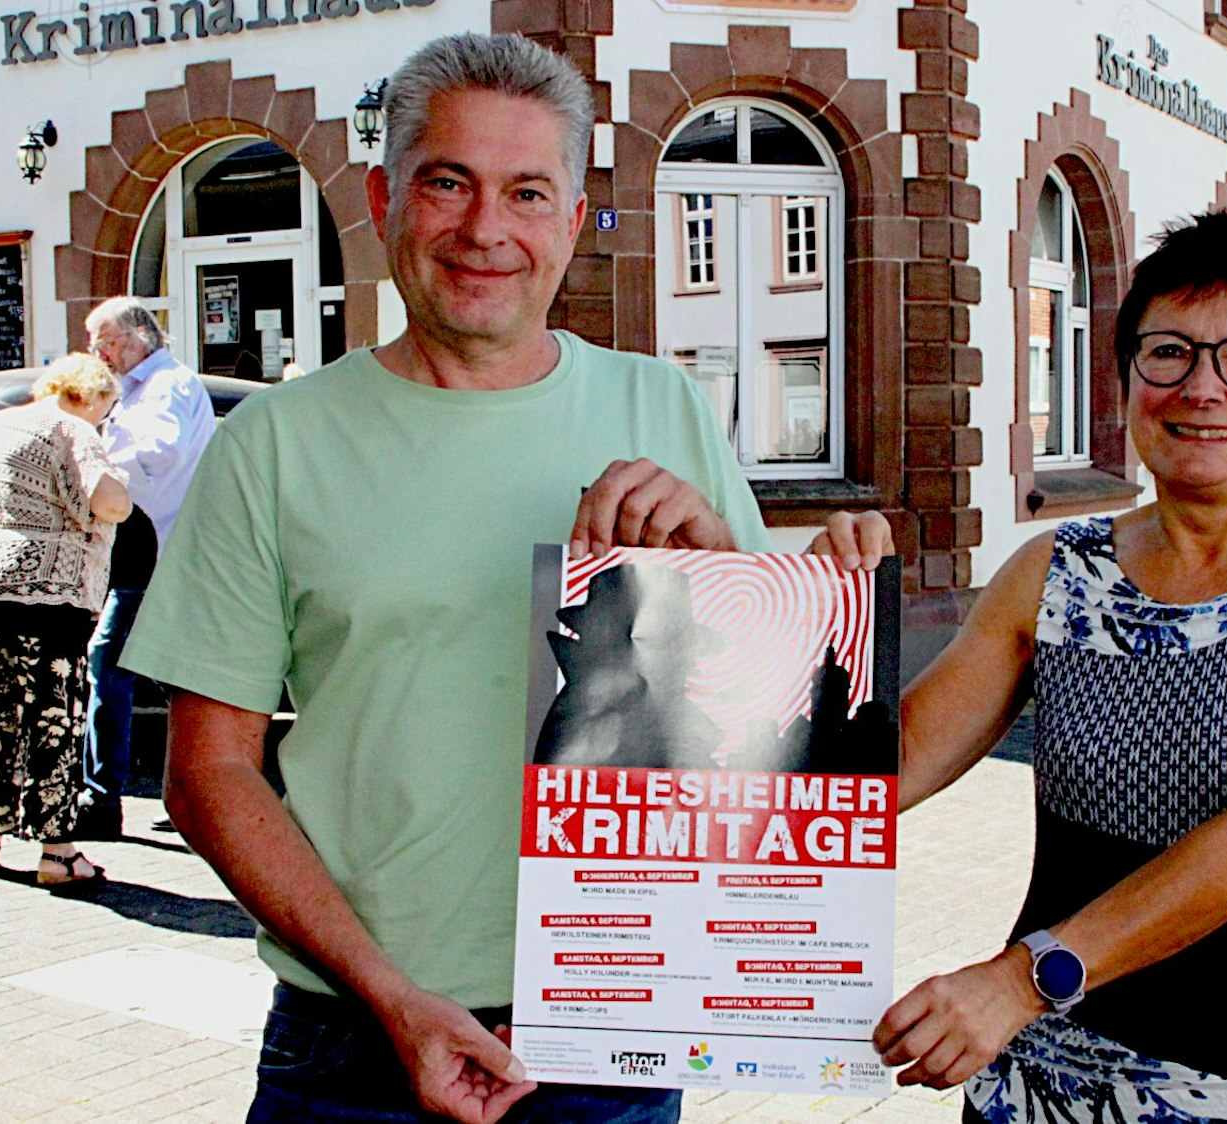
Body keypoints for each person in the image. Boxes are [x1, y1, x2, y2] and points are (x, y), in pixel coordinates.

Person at [118, 32, 890, 1124]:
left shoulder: (662, 405)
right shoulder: (275, 444)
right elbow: (206, 777)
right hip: (352, 1038)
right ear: (384, 196)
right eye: (449, 182)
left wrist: (746, 576)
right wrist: (393, 997)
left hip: (609, 1018)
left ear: (572, 220)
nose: (486, 230)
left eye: (528, 192)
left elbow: (755, 750)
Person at [862, 211, 1227, 1123]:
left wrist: (1019, 983)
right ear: (1125, 381)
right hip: (1042, 1081)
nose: (1201, 388)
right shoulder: (1056, 569)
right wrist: (812, 611)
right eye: (1167, 353)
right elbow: (879, 773)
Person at [0, 353, 132, 889]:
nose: (107, 416)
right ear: (91, 394)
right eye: (109, 406)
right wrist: (117, 475)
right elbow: (110, 503)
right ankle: (57, 851)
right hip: (49, 590)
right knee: (55, 715)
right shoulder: (73, 429)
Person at [77, 296, 215, 839]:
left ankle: (101, 801)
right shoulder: (140, 389)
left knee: (107, 668)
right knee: (170, 679)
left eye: (105, 341)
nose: (99, 353)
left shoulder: (166, 387)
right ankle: (194, 794)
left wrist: (96, 470)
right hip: (152, 549)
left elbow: (161, 451)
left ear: (138, 337)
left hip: (156, 550)